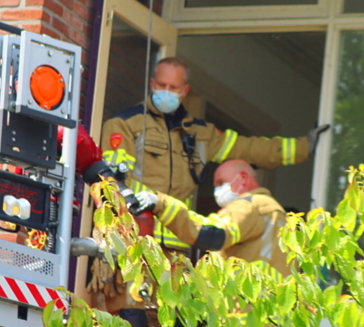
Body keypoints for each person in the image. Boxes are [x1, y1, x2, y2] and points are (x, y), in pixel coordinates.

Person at [101, 56, 327, 254]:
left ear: (184, 91)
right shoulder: (125, 124)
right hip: (133, 238)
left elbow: (248, 148)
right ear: (152, 84)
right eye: (162, 85)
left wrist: (302, 148)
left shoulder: (201, 133)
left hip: (177, 244)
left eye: (173, 87)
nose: (166, 92)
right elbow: (113, 182)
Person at [133, 159, 291, 276]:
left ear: (242, 178)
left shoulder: (251, 205)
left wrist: (161, 203)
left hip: (242, 314)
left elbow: (213, 234)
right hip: (269, 313)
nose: (217, 191)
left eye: (221, 182)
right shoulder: (277, 213)